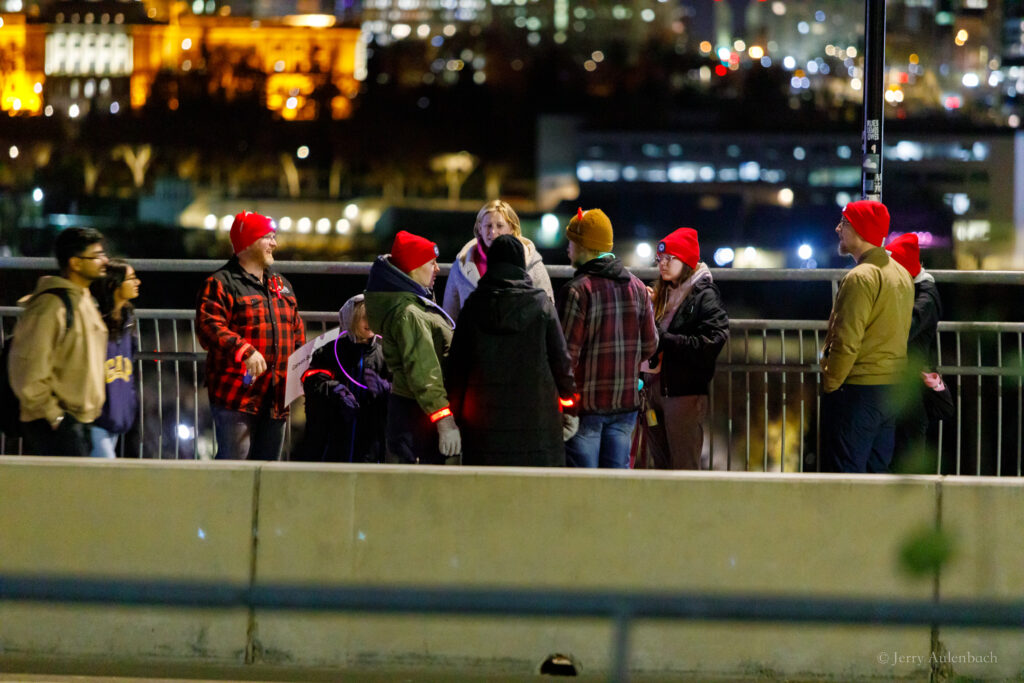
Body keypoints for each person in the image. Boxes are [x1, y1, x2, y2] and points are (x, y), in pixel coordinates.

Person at [447, 235, 578, 467]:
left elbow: (457, 367)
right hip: (538, 426)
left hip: (483, 429)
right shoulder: (541, 304)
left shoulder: (473, 306)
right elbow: (561, 361)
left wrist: (453, 418)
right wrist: (570, 407)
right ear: (521, 264)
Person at [196, 211, 305, 460]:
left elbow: (296, 328)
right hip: (237, 398)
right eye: (268, 237)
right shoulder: (220, 283)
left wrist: (302, 369)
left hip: (276, 398)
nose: (274, 243)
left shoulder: (282, 285)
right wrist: (244, 350)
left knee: (268, 474)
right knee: (234, 473)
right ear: (247, 242)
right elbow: (209, 326)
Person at [557, 208, 659, 468]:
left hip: (586, 407)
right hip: (625, 404)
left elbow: (566, 355)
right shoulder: (637, 287)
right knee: (616, 487)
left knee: (584, 489)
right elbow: (651, 346)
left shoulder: (577, 291)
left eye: (572, 242)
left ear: (585, 247)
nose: (568, 249)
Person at [819, 200, 914, 473]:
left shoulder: (860, 278)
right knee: (876, 481)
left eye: (844, 223)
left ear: (860, 229)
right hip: (891, 389)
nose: (838, 229)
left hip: (860, 390)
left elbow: (847, 341)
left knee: (846, 480)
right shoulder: (900, 274)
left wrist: (831, 383)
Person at [9, 227, 109, 457]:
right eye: (96, 256)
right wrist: (55, 416)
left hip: (80, 421)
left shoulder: (84, 299)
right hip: (56, 424)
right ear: (75, 263)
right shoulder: (51, 305)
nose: (104, 261)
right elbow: (27, 368)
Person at [364, 230, 461, 464]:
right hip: (417, 416)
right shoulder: (410, 313)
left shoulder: (412, 303)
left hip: (411, 411)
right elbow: (424, 372)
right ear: (414, 267)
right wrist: (444, 421)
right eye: (432, 263)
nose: (437, 268)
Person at [637, 228, 729, 470]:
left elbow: (714, 340)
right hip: (654, 389)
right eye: (660, 259)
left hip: (683, 394)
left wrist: (666, 339)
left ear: (687, 260)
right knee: (662, 465)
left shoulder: (703, 295)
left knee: (683, 467)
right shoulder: (664, 292)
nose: (663, 265)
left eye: (670, 258)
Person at [299, 294, 390, 463]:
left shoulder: (385, 355)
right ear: (351, 319)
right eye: (364, 318)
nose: (369, 323)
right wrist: (334, 389)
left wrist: (385, 388)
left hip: (371, 442)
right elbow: (312, 379)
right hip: (335, 437)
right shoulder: (330, 351)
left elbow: (398, 389)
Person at [885, 232, 945, 469]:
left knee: (907, 451)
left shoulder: (925, 298)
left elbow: (903, 331)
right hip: (903, 381)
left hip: (912, 387)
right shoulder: (917, 291)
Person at [442, 199, 553, 322]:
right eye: (488, 226)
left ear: (512, 227)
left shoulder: (533, 265)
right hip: (476, 340)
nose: (493, 232)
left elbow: (547, 312)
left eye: (499, 226)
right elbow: (450, 318)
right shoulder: (461, 265)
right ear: (479, 228)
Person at [88, 259, 142, 458]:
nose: (138, 282)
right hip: (96, 416)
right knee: (105, 469)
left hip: (117, 414)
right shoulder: (94, 322)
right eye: (131, 278)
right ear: (113, 285)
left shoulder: (127, 321)